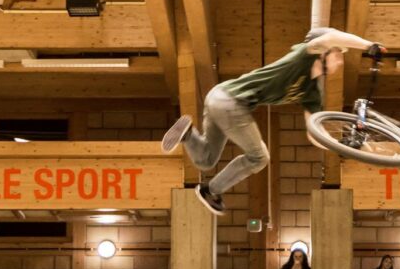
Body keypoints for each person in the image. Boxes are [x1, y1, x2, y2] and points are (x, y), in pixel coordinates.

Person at [163, 27, 385, 213]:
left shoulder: (313, 92)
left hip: (218, 98)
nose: (341, 61)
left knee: (205, 160)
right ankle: (211, 190)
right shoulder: (303, 56)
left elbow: (313, 132)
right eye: (338, 54)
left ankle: (188, 133)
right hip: (231, 102)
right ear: (323, 52)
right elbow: (331, 37)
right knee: (259, 158)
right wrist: (368, 46)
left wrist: (339, 146)